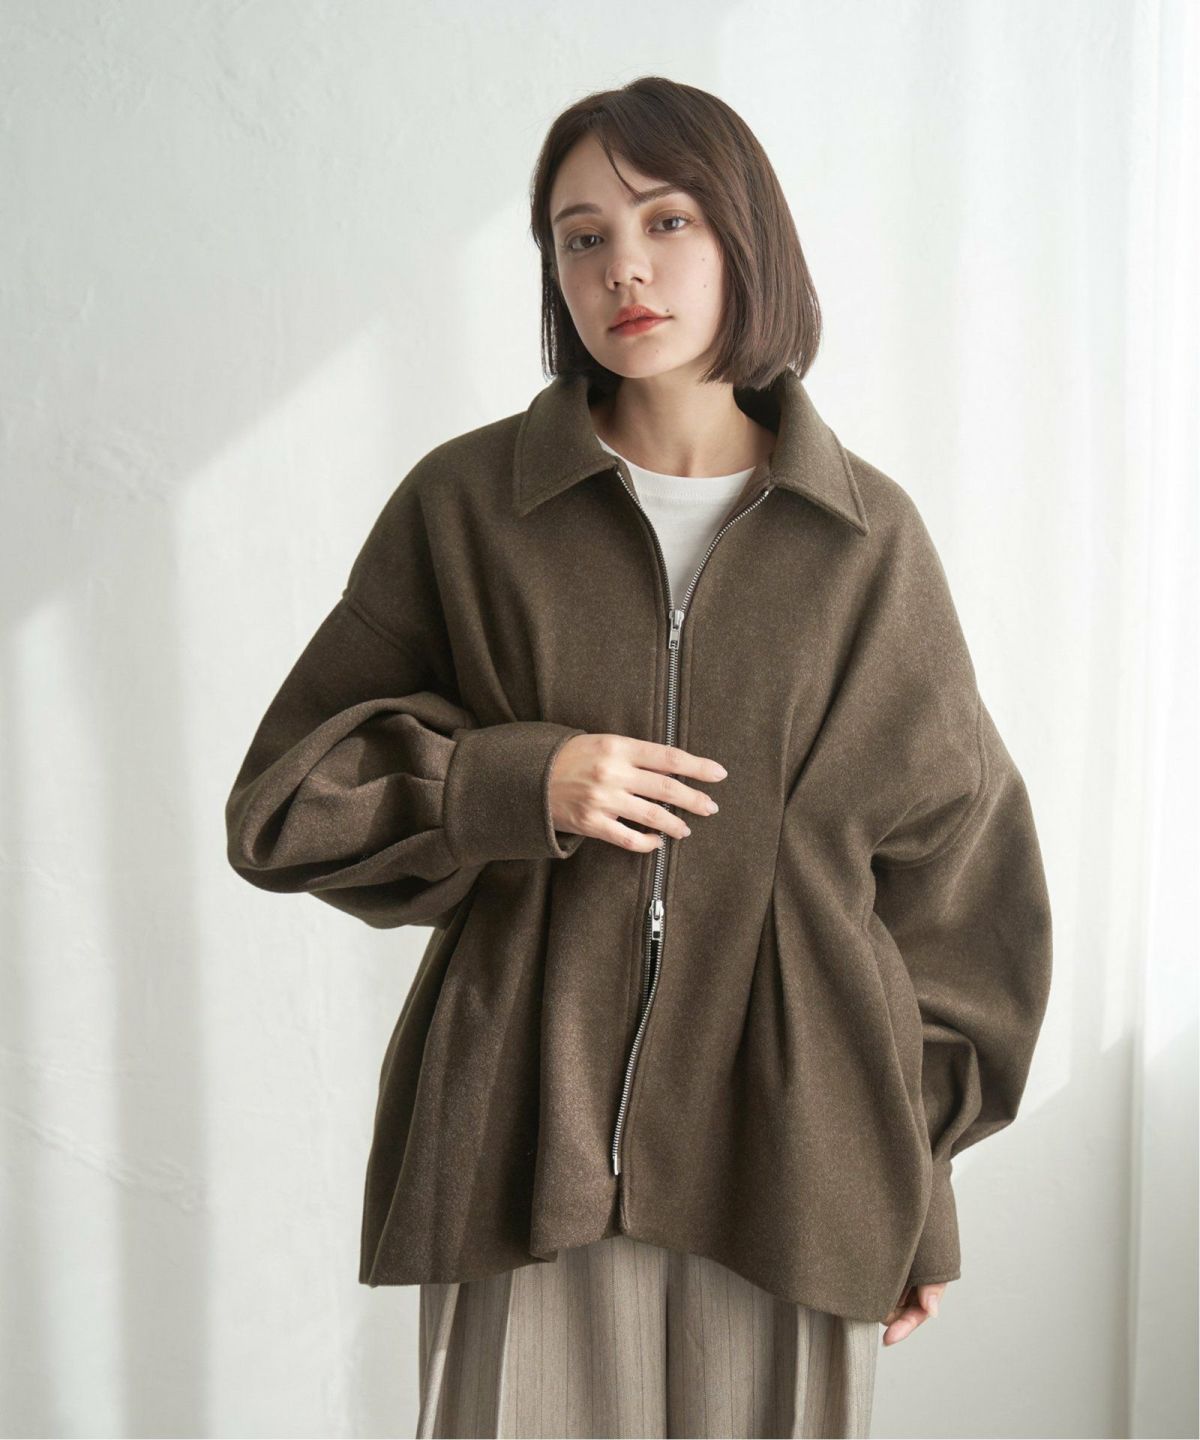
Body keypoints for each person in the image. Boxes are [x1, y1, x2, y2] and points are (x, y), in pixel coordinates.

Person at [225, 76, 1052, 1440]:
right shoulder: (468, 506)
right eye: (582, 236)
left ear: (744, 239)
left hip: (798, 1169)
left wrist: (920, 1186)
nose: (625, 267)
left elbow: (960, 902)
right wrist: (512, 781)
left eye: (667, 222)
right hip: (519, 1150)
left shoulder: (866, 542)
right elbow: (282, 802)